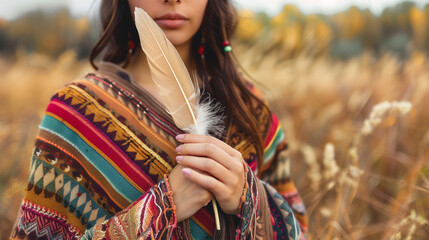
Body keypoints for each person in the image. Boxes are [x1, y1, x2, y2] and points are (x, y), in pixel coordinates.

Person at [11, 0, 308, 239]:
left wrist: (246, 196)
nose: (173, 0)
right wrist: (161, 207)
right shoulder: (76, 111)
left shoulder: (249, 108)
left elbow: (300, 229)